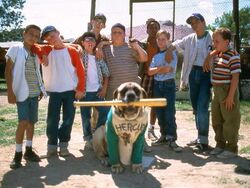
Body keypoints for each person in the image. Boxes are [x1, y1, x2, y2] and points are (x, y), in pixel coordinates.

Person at [5, 24, 47, 169]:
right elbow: (8, 71)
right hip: (21, 93)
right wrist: (10, 91)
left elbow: (36, 72)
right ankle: (17, 154)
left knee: (31, 123)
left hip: (34, 93)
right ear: (24, 34)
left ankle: (28, 150)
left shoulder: (35, 52)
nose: (33, 37)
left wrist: (41, 87)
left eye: (36, 36)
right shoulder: (15, 49)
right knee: (23, 122)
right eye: (31, 34)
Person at [39, 25, 85, 157]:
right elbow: (33, 47)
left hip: (70, 90)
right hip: (54, 91)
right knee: (52, 119)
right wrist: (42, 53)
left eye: (52, 36)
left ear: (58, 32)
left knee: (68, 119)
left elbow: (81, 71)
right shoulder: (46, 50)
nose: (50, 39)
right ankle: (51, 146)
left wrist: (81, 89)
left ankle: (64, 145)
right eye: (47, 39)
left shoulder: (72, 51)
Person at [172, 13, 212, 152]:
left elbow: (218, 49)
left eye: (196, 22)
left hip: (206, 74)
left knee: (202, 106)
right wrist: (167, 50)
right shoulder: (190, 38)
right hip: (193, 74)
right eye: (192, 23)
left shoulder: (211, 36)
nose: (194, 25)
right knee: (195, 107)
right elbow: (176, 44)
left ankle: (203, 139)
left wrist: (210, 56)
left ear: (203, 22)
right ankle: (199, 137)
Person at [203, 28, 241, 159]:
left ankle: (231, 148)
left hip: (227, 90)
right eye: (213, 41)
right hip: (217, 91)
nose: (214, 43)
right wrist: (210, 55)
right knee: (217, 119)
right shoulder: (219, 53)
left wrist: (230, 96)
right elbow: (213, 52)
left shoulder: (233, 55)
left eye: (217, 41)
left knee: (230, 119)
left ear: (227, 42)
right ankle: (220, 144)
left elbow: (235, 77)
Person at [148, 30, 182, 152]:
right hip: (157, 85)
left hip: (168, 85)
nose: (161, 42)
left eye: (163, 39)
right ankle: (163, 135)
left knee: (169, 112)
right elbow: (149, 72)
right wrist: (160, 69)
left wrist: (157, 69)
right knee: (159, 112)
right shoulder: (155, 56)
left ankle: (172, 138)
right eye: (159, 39)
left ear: (168, 40)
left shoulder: (172, 53)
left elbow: (169, 69)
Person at [78, 32, 110, 148]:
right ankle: (88, 138)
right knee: (85, 116)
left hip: (98, 92)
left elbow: (107, 74)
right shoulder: (80, 56)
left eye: (92, 40)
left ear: (95, 43)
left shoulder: (99, 57)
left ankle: (97, 133)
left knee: (105, 110)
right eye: (87, 40)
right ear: (82, 43)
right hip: (84, 92)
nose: (90, 42)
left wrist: (104, 89)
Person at [103, 23, 147, 100]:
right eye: (114, 32)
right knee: (113, 111)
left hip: (131, 88)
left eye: (119, 32)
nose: (117, 34)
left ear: (124, 35)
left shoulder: (131, 47)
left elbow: (144, 58)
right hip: (113, 89)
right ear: (111, 35)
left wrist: (136, 46)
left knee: (133, 111)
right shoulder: (106, 49)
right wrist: (100, 45)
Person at [140, 18, 160, 140]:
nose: (153, 29)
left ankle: (151, 129)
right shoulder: (143, 44)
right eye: (151, 27)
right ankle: (140, 129)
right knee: (141, 104)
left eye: (156, 27)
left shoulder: (161, 45)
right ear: (147, 30)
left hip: (158, 77)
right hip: (146, 77)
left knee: (155, 104)